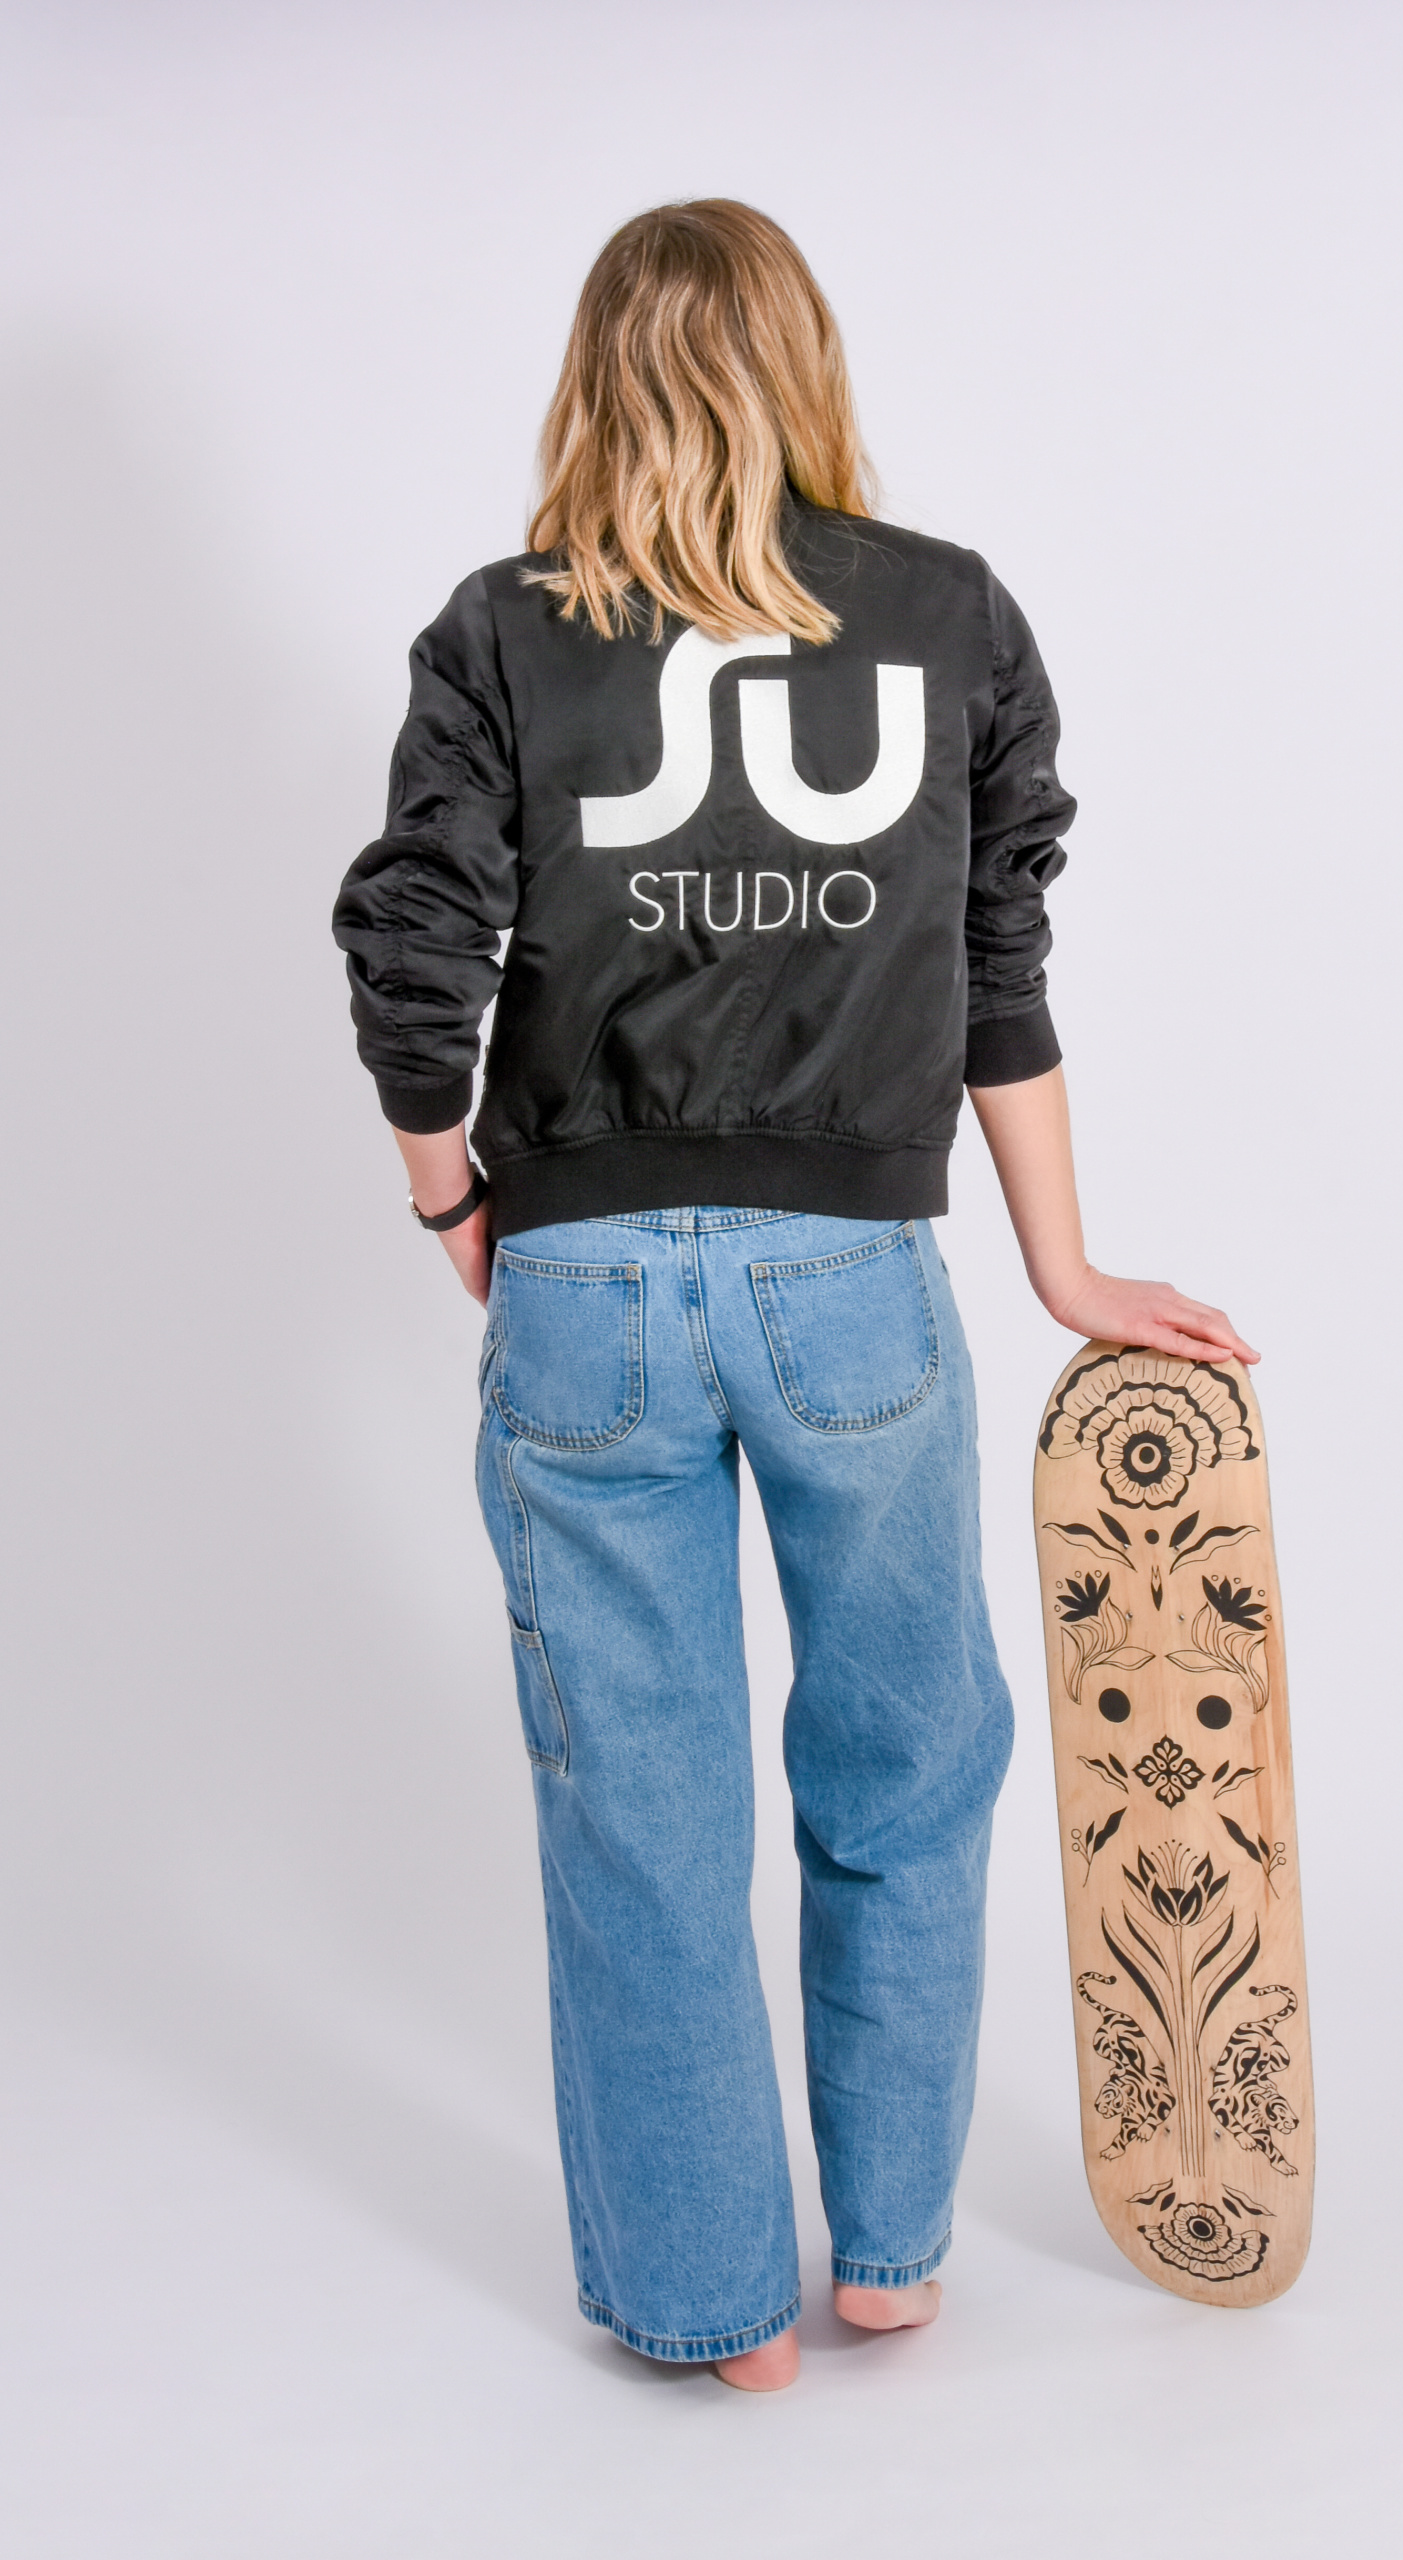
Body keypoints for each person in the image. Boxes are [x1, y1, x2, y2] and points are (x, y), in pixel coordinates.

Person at [333, 199, 1256, 2392]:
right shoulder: (946, 613)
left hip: (581, 1284)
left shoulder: (502, 629)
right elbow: (998, 963)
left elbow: (413, 941)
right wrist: (1059, 1266)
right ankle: (891, 2255)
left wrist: (454, 1193)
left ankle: (712, 2311)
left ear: (595, 373)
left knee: (638, 1815)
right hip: (856, 1281)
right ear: (805, 360)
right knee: (905, 1765)